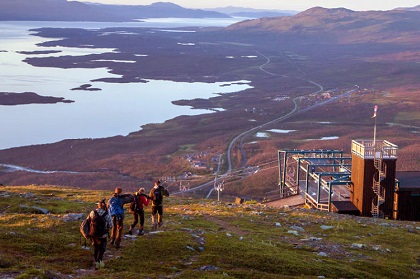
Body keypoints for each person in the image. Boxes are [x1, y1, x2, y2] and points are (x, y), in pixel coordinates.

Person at [86, 199, 113, 270]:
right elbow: (111, 225)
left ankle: (96, 261)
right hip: (103, 235)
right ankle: (99, 261)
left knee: (95, 247)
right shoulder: (106, 214)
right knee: (102, 249)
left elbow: (87, 221)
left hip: (93, 234)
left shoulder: (92, 212)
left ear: (98, 205)